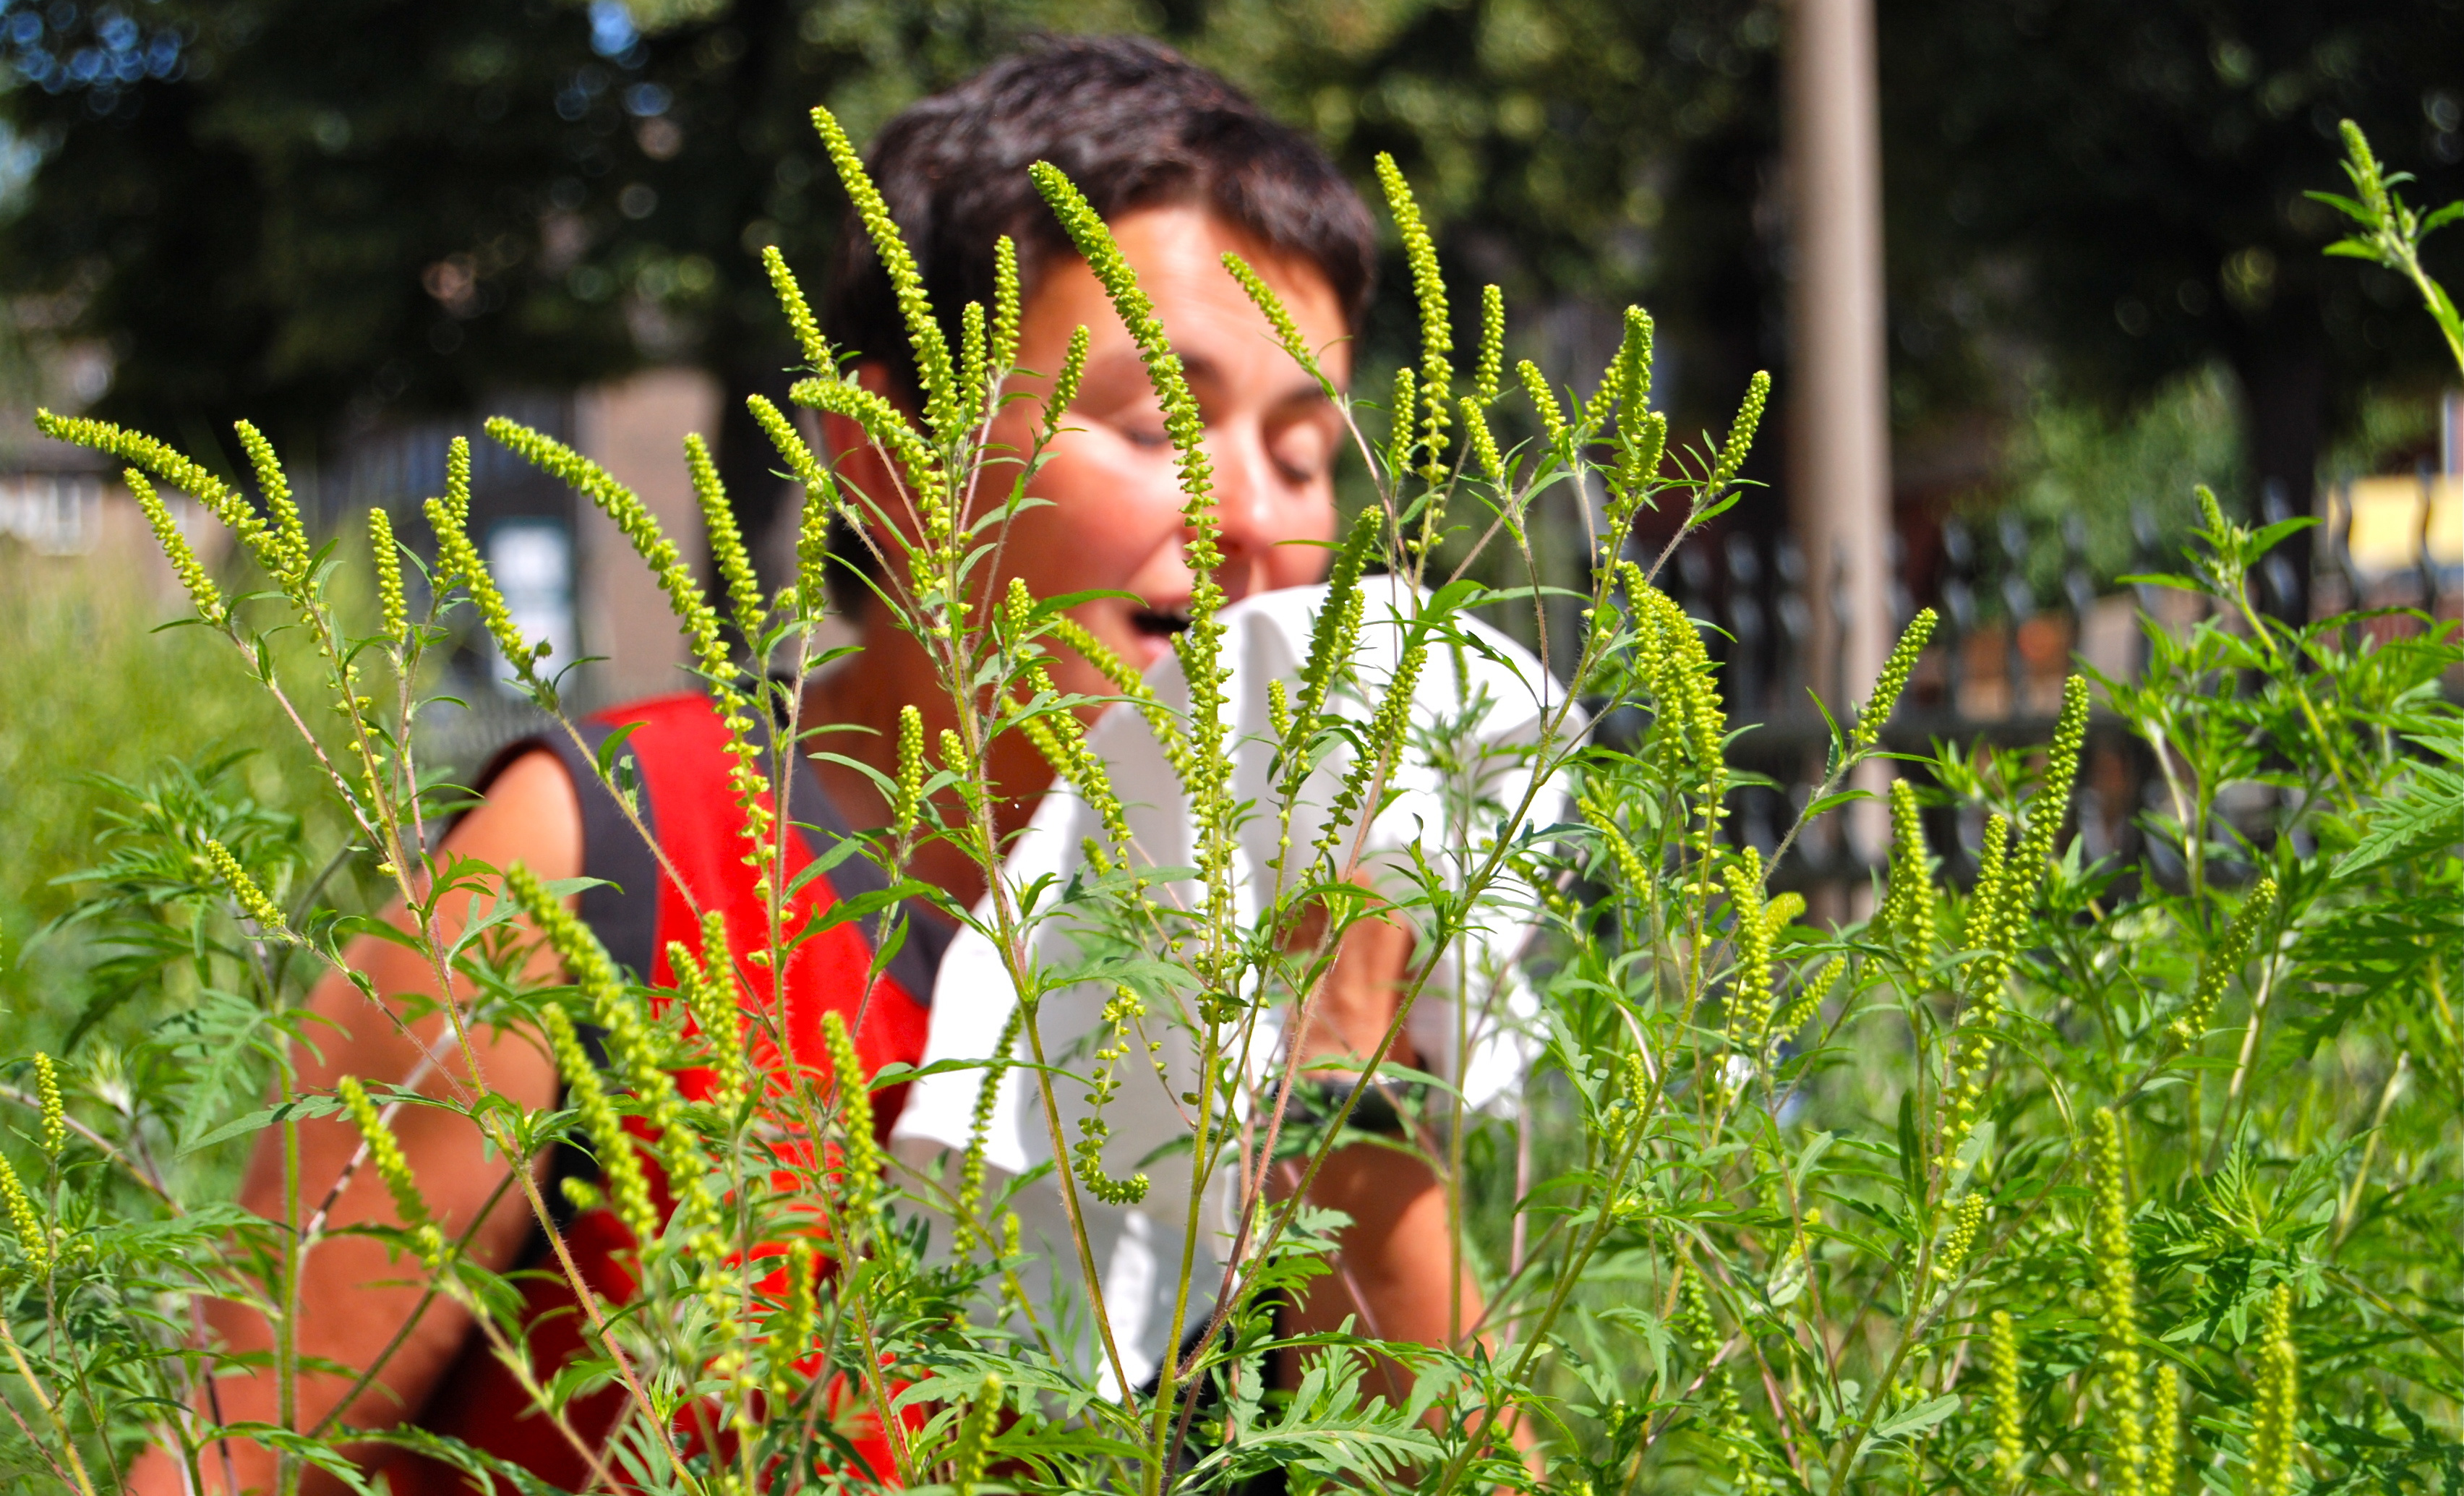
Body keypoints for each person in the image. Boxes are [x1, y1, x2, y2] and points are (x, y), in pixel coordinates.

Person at [127, 35, 1488, 1495]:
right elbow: (234, 1459)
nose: (1252, 522)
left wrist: (1344, 1097)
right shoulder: (606, 859)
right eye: (1161, 423)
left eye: (1302, 449)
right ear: (887, 453)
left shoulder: (1299, 924)